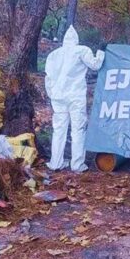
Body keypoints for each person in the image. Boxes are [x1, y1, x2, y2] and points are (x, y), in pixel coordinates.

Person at [45, 25, 106, 172]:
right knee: (78, 129)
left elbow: (48, 77)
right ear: (76, 39)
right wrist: (101, 51)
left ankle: (56, 163)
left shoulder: (54, 55)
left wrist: (51, 93)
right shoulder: (81, 50)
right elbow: (95, 65)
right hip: (75, 96)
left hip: (58, 97)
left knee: (59, 130)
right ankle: (77, 164)